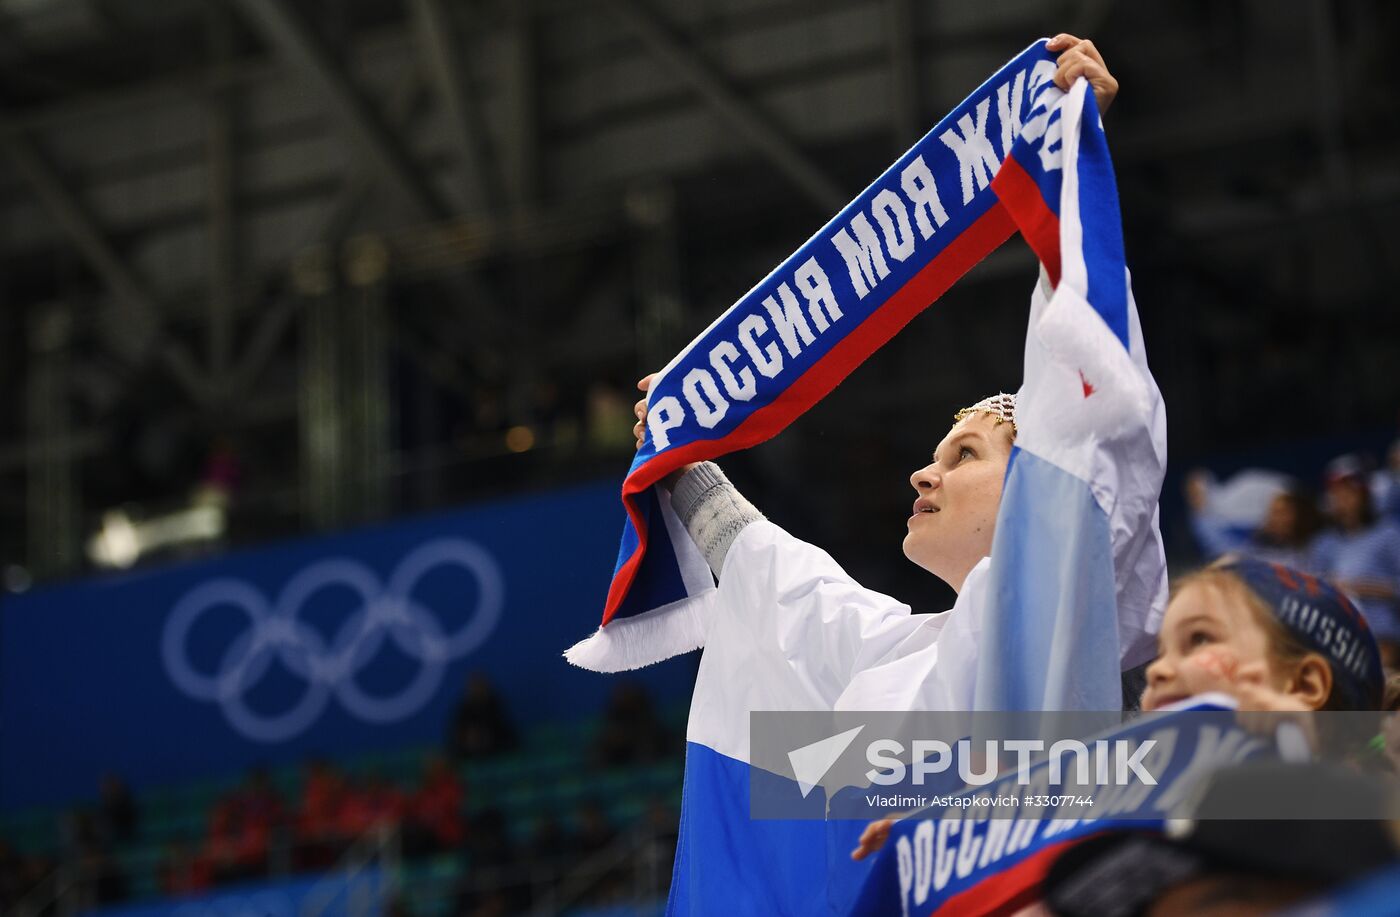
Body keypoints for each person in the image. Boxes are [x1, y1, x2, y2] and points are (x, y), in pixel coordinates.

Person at [631, 34, 1159, 716]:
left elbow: (1092, 399)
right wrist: (681, 461)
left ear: (1042, 481)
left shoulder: (1083, 602)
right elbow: (788, 595)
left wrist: (1067, 161)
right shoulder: (898, 662)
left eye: (965, 452)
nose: (923, 473)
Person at [1310, 454, 1400, 670]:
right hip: (1337, 635)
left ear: (1364, 495)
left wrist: (1360, 587)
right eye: (1337, 493)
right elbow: (1311, 589)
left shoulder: (1388, 534)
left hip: (1382, 633)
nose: (1343, 499)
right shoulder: (1323, 542)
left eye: (1350, 492)